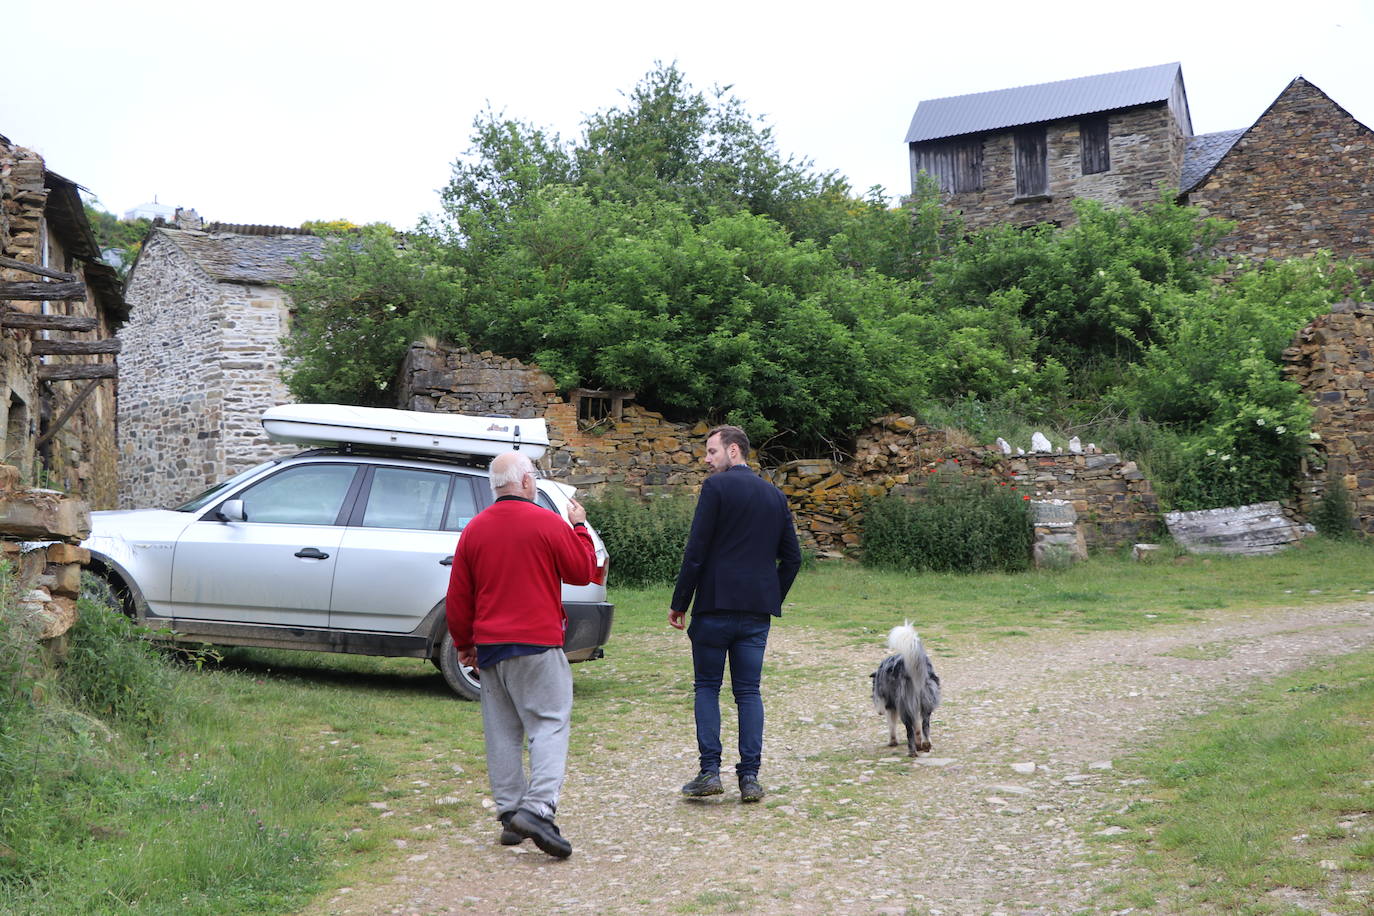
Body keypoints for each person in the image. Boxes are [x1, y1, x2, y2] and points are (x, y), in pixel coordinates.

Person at [446, 450, 597, 858]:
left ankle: (511, 813)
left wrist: (464, 644)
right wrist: (579, 527)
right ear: (527, 481)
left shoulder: (474, 530)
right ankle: (538, 808)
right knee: (548, 723)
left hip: (491, 648)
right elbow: (582, 572)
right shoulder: (547, 523)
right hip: (537, 642)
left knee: (502, 731)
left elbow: (458, 597)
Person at [669, 425, 802, 803]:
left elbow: (696, 551)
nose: (707, 460)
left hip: (714, 606)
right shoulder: (775, 496)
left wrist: (680, 602)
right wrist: (770, 596)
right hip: (756, 611)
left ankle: (709, 771)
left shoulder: (716, 489)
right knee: (748, 691)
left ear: (733, 450)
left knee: (707, 687)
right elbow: (792, 558)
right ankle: (750, 778)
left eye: (711, 452)